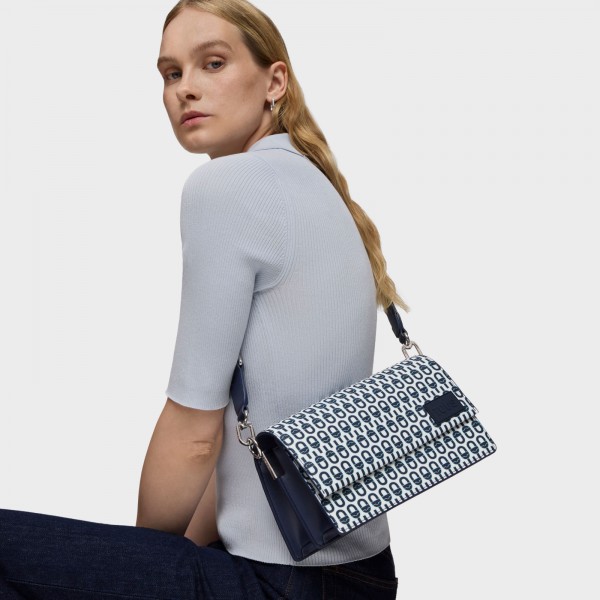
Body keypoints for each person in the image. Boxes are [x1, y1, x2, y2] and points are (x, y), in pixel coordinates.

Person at [0, 1, 410, 598]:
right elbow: (246, 443)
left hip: (284, 583)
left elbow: (194, 433)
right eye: (171, 73)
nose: (185, 89)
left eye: (212, 63)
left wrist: (136, 567)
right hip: (361, 577)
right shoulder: (321, 190)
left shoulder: (227, 187)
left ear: (274, 82)